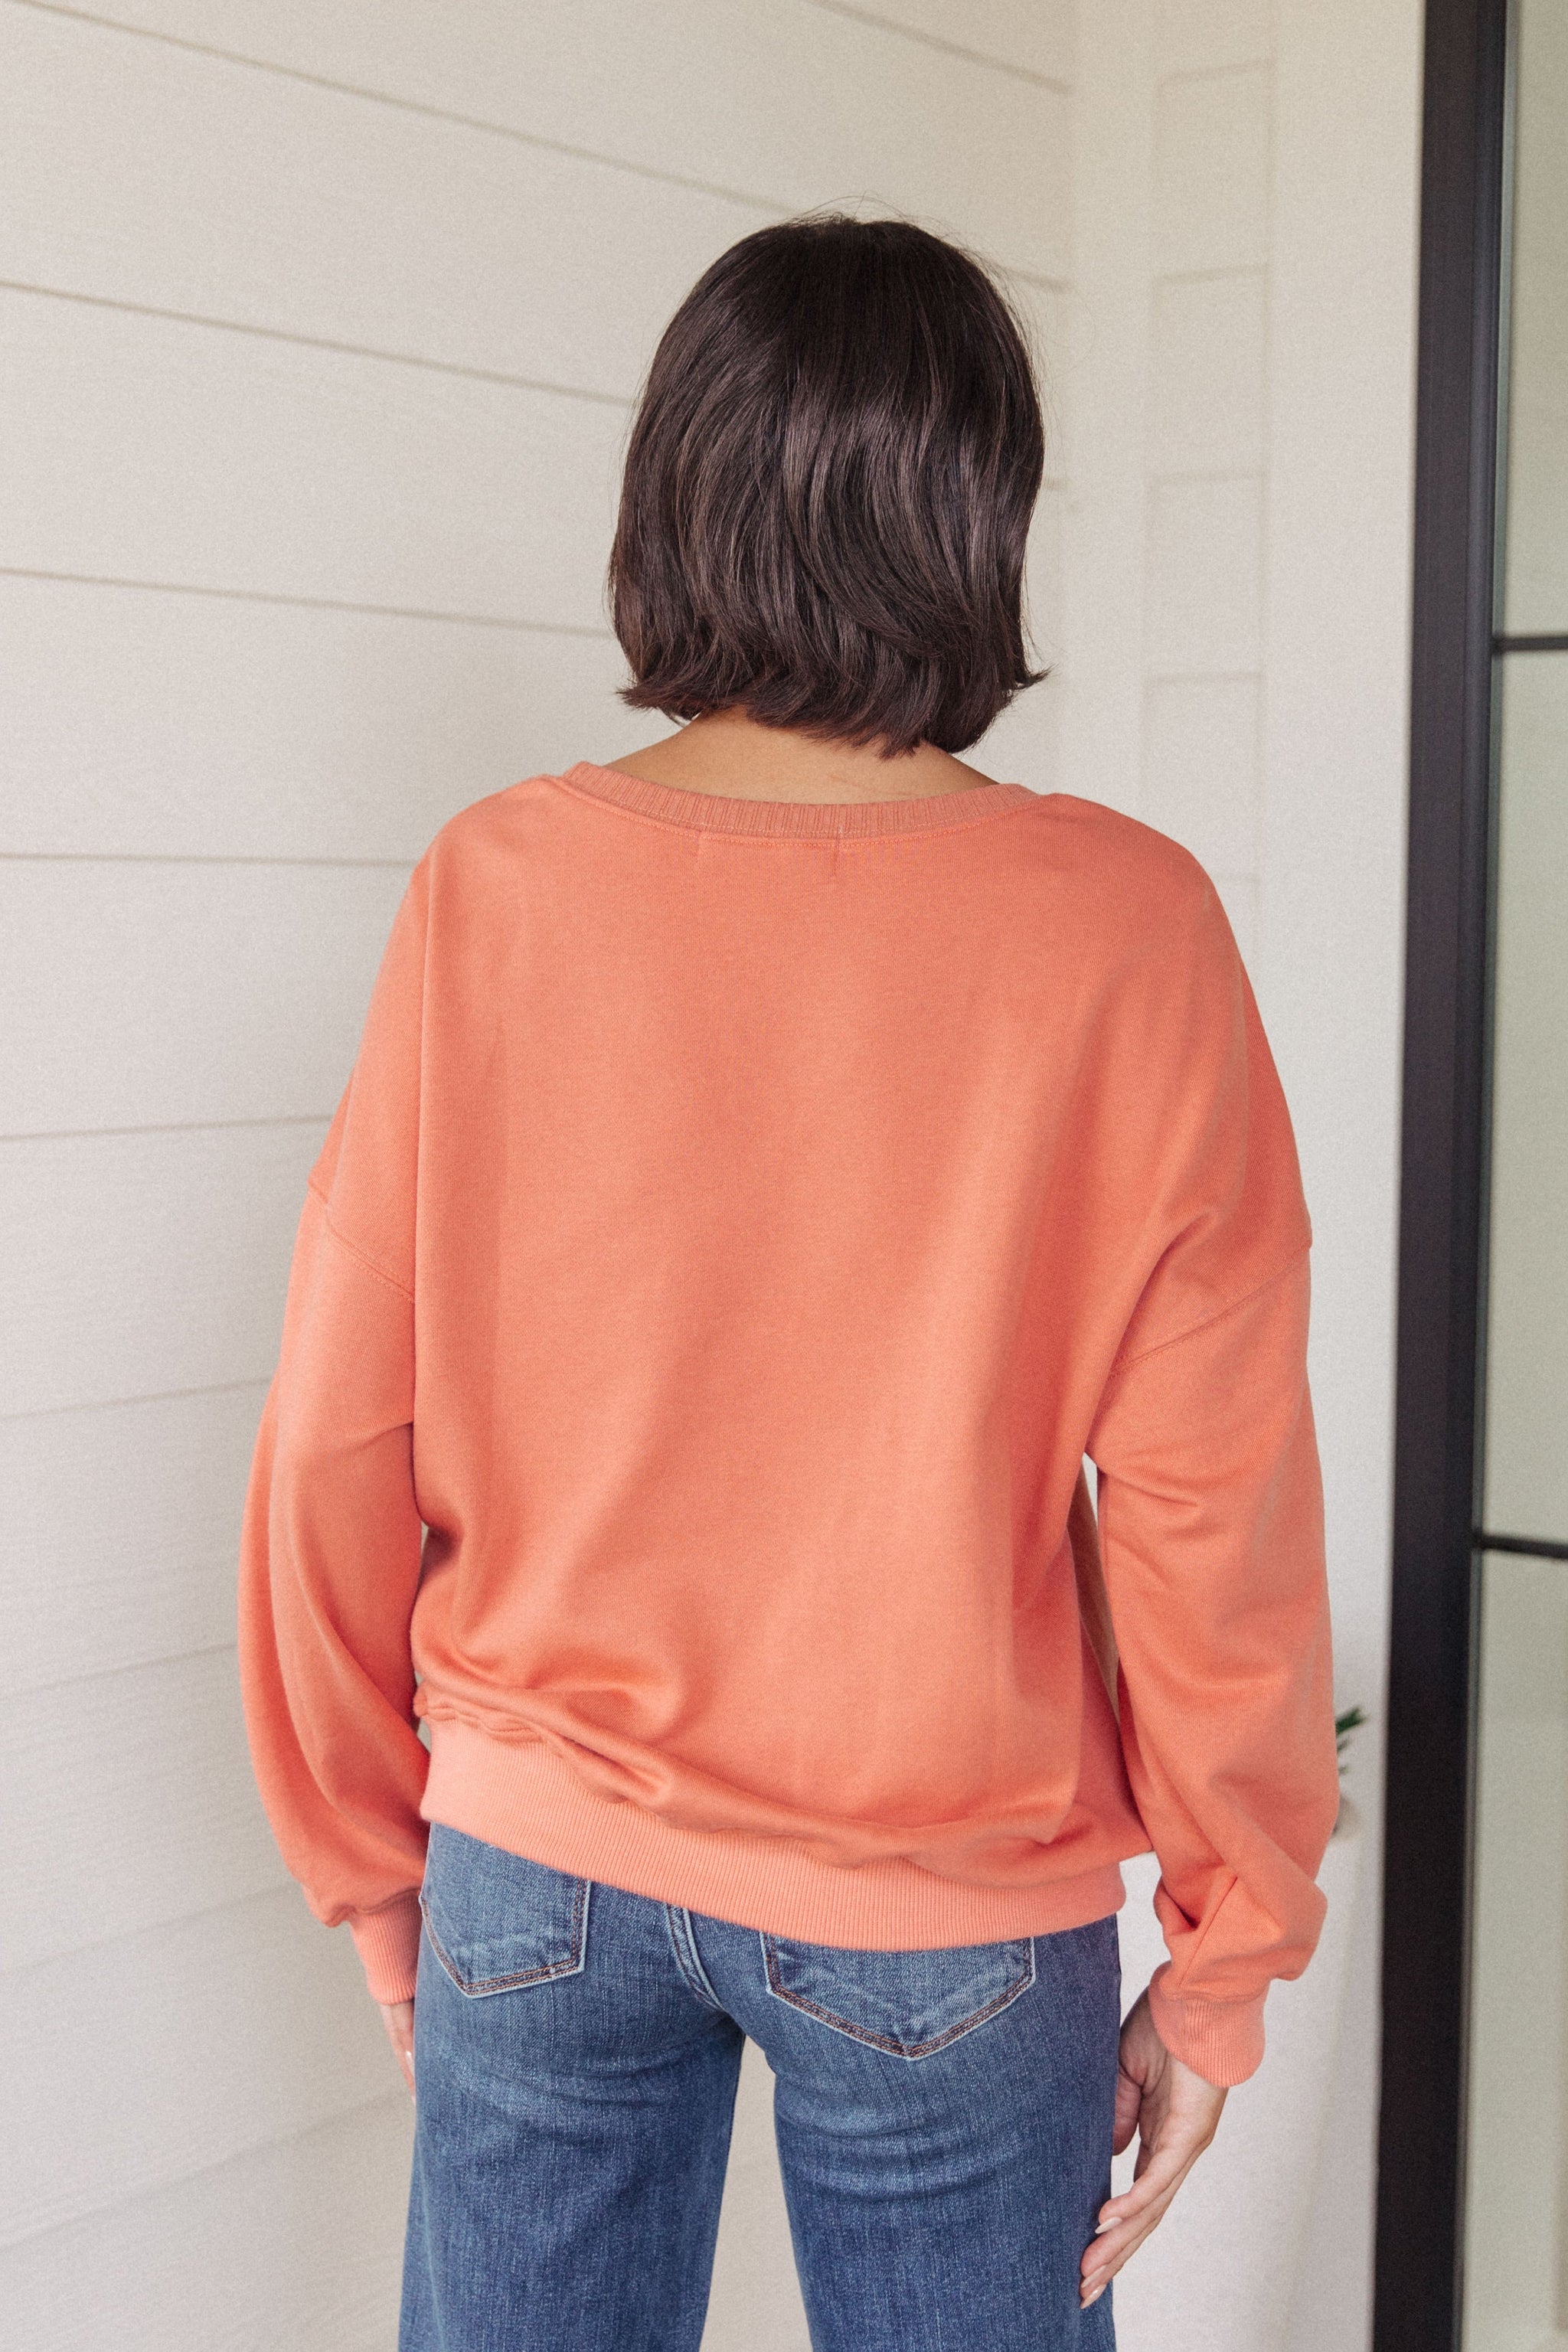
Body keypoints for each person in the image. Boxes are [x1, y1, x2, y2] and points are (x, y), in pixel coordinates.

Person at [237, 214, 1340, 2351]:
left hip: (536, 1872)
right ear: (978, 513)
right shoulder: (1126, 929)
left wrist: (381, 1875)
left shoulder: (495, 886)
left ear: (678, 495)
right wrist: (1227, 1960)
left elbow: (335, 1430)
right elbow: (1214, 1506)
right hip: (951, 1909)